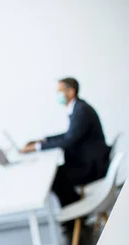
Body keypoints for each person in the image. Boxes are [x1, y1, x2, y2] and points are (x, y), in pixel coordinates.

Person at [21, 77, 111, 209]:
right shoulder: (78, 108)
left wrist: (37, 147)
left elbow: (69, 140)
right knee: (58, 174)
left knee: (55, 177)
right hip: (89, 161)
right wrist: (44, 140)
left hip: (92, 166)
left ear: (71, 92)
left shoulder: (81, 110)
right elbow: (70, 134)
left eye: (60, 91)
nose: (58, 95)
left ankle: (76, 215)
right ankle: (75, 215)